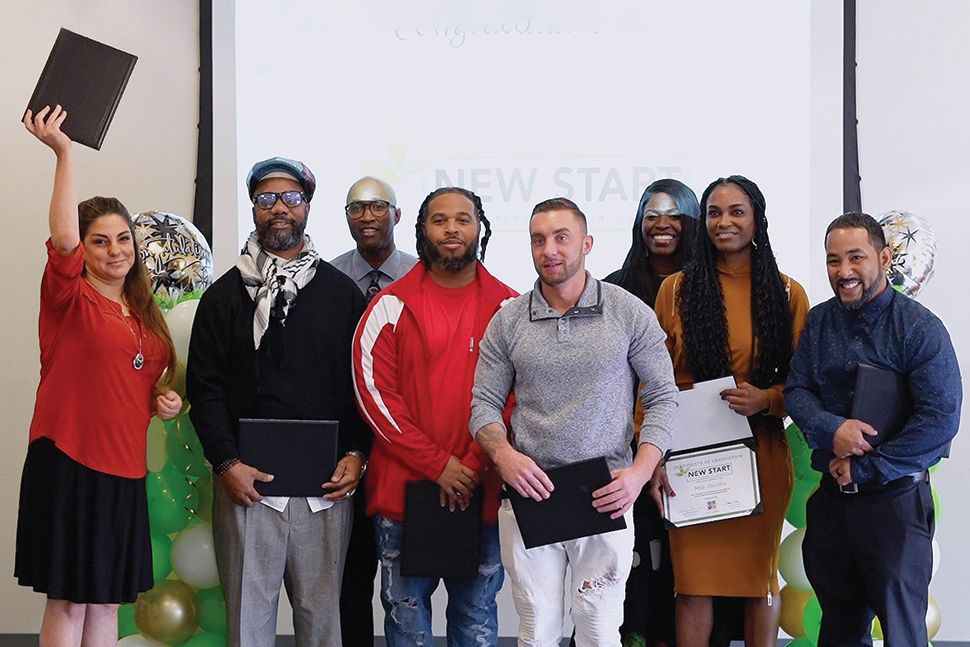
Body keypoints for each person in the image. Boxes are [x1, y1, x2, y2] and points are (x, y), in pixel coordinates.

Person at [470, 197, 679, 647]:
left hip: (605, 493)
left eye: (562, 238)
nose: (550, 250)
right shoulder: (507, 320)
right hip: (531, 493)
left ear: (586, 243)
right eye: (539, 240)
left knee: (600, 630)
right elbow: (483, 404)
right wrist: (503, 456)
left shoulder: (628, 312)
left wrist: (640, 473)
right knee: (537, 629)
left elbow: (663, 396)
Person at [186, 157, 370, 647]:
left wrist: (356, 453)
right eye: (267, 199)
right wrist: (226, 462)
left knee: (323, 625)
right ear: (253, 208)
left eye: (292, 197)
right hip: (246, 490)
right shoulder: (223, 297)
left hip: (325, 490)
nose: (280, 208)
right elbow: (205, 390)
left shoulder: (342, 295)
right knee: (247, 626)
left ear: (308, 206)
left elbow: (361, 385)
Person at [16, 106, 182, 647]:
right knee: (69, 601)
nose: (116, 250)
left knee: (107, 602)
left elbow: (141, 380)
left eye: (124, 238)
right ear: (83, 251)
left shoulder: (144, 315)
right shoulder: (71, 297)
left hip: (123, 471)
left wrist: (164, 400)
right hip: (69, 460)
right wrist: (64, 153)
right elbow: (61, 235)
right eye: (100, 240)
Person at [784, 212, 961, 647]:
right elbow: (796, 390)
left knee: (903, 633)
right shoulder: (821, 320)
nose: (843, 272)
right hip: (832, 505)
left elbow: (940, 420)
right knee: (838, 630)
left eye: (856, 258)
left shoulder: (920, 328)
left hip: (895, 507)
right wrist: (834, 429)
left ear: (883, 257)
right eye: (832, 260)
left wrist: (865, 467)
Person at [352, 187, 516, 647]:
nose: (451, 229)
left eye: (463, 219)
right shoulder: (388, 307)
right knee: (406, 625)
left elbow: (517, 396)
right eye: (439, 220)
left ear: (480, 228)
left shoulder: (510, 309)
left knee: (476, 617)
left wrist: (473, 462)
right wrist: (440, 466)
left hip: (481, 489)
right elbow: (376, 399)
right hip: (403, 494)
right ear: (422, 229)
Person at [652, 175, 809, 647]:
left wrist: (768, 399)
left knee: (759, 584)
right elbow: (654, 381)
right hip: (689, 457)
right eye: (715, 212)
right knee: (693, 584)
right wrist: (653, 451)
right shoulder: (675, 290)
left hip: (760, 454)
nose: (725, 222)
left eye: (737, 211)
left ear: (757, 219)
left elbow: (806, 383)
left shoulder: (787, 293)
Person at [604, 178, 700, 647]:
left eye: (674, 215)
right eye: (651, 215)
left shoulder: (709, 289)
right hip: (628, 453)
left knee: (693, 572)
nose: (662, 225)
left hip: (700, 447)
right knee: (634, 565)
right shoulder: (611, 291)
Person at [331, 175, 417, 647]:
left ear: (398, 216)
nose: (367, 216)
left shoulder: (423, 278)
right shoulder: (325, 278)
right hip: (345, 443)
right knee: (351, 576)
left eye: (378, 206)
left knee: (406, 585)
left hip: (405, 444)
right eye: (356, 208)